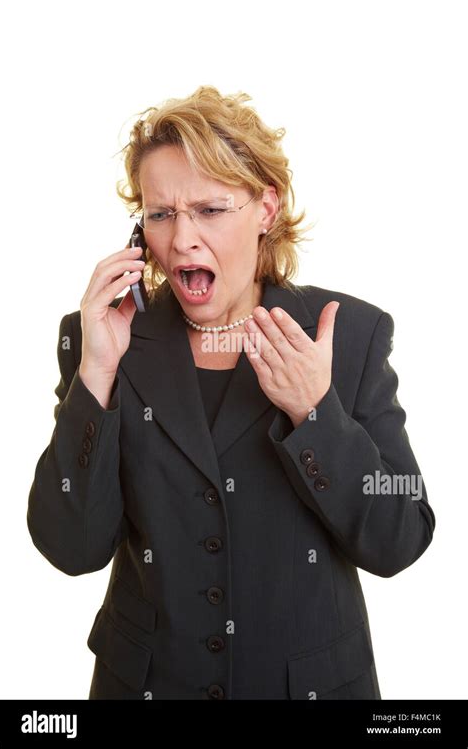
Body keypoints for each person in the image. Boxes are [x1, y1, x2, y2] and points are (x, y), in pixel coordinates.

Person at [27, 85, 436, 700]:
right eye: (161, 214)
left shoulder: (348, 336)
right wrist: (96, 377)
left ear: (266, 208)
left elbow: (401, 535)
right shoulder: (103, 341)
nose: (182, 239)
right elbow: (71, 548)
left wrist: (315, 413)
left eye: (210, 210)